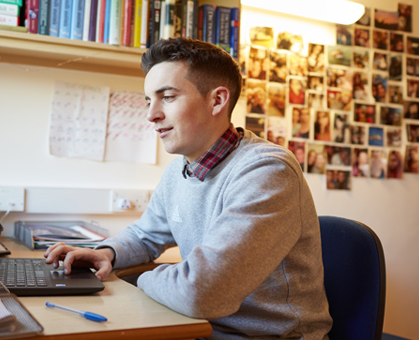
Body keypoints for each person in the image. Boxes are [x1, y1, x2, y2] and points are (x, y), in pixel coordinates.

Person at [44, 37, 332, 340]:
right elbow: (146, 235)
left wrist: (143, 278)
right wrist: (107, 253)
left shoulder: (267, 171)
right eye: (148, 101)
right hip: (199, 328)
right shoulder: (178, 172)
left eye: (167, 97)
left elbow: (201, 293)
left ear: (217, 100)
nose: (151, 114)